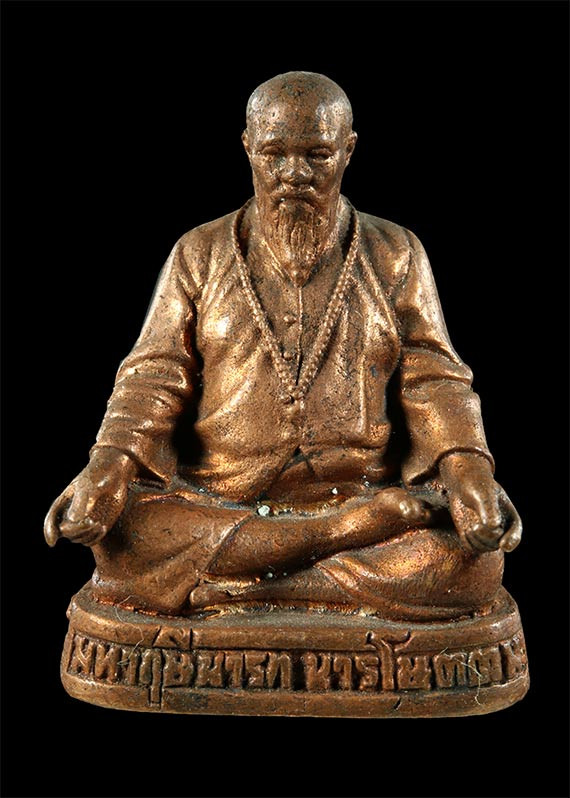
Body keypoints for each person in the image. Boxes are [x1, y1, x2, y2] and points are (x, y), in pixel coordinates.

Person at [44, 71, 521, 619]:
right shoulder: (199, 252)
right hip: (224, 499)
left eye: (317, 155)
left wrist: (467, 471)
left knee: (471, 562)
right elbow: (154, 377)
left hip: (359, 487)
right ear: (249, 148)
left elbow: (434, 379)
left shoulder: (395, 253)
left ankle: (240, 587)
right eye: (275, 155)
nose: (295, 174)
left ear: (348, 151)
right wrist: (108, 466)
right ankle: (338, 541)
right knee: (122, 538)